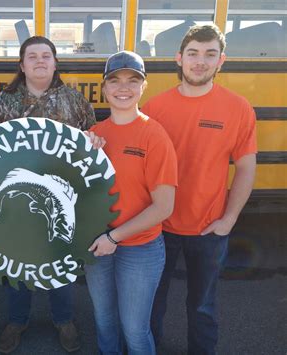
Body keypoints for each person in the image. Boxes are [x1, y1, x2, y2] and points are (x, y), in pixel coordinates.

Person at [144, 24, 257, 355]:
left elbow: (246, 167)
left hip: (209, 228)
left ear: (221, 61)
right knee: (151, 305)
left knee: (202, 308)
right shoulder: (154, 109)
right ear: (179, 58)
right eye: (193, 53)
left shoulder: (238, 108)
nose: (200, 62)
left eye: (210, 54)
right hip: (157, 227)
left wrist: (229, 219)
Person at [0, 36, 96, 354]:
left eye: (47, 55)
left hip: (61, 197)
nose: (40, 61)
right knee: (18, 263)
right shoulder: (3, 102)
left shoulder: (75, 101)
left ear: (55, 62)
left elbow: (92, 145)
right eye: (33, 56)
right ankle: (17, 321)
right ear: (22, 65)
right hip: (19, 202)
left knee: (60, 261)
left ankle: (64, 321)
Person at [84, 51, 178, 355]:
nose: (123, 87)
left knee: (135, 331)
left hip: (140, 248)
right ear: (104, 88)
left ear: (143, 86)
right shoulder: (94, 136)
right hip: (99, 246)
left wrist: (115, 237)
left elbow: (163, 207)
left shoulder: (154, 135)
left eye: (132, 80)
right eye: (115, 80)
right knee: (104, 322)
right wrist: (81, 155)